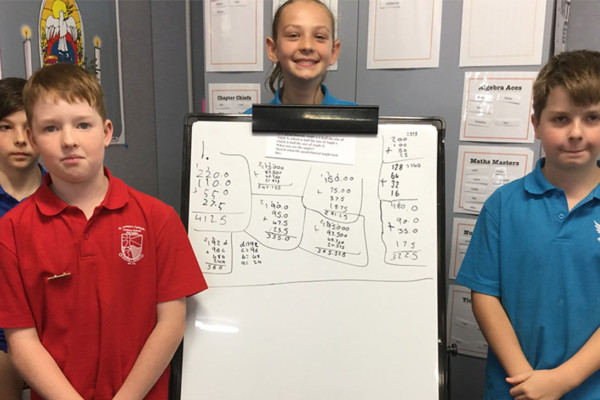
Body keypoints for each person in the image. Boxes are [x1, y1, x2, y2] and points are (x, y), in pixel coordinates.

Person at [0, 63, 207, 400]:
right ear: (35, 139)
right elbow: (21, 340)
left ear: (107, 132)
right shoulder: (11, 232)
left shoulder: (158, 219)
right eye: (51, 128)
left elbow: (171, 322)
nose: (69, 140)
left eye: (83, 124)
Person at [456, 49, 600, 400]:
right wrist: (526, 380)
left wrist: (560, 381)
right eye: (561, 119)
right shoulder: (503, 206)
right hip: (514, 389)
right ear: (536, 124)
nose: (576, 133)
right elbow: (485, 295)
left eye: (592, 118)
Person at [0, 77, 45, 400]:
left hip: (52, 331)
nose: (19, 139)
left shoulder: (64, 193)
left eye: (27, 128)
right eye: (5, 127)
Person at [245, 0, 356, 113]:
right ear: (273, 49)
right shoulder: (247, 122)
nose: (307, 46)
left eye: (319, 37)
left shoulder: (356, 118)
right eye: (293, 35)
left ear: (333, 52)